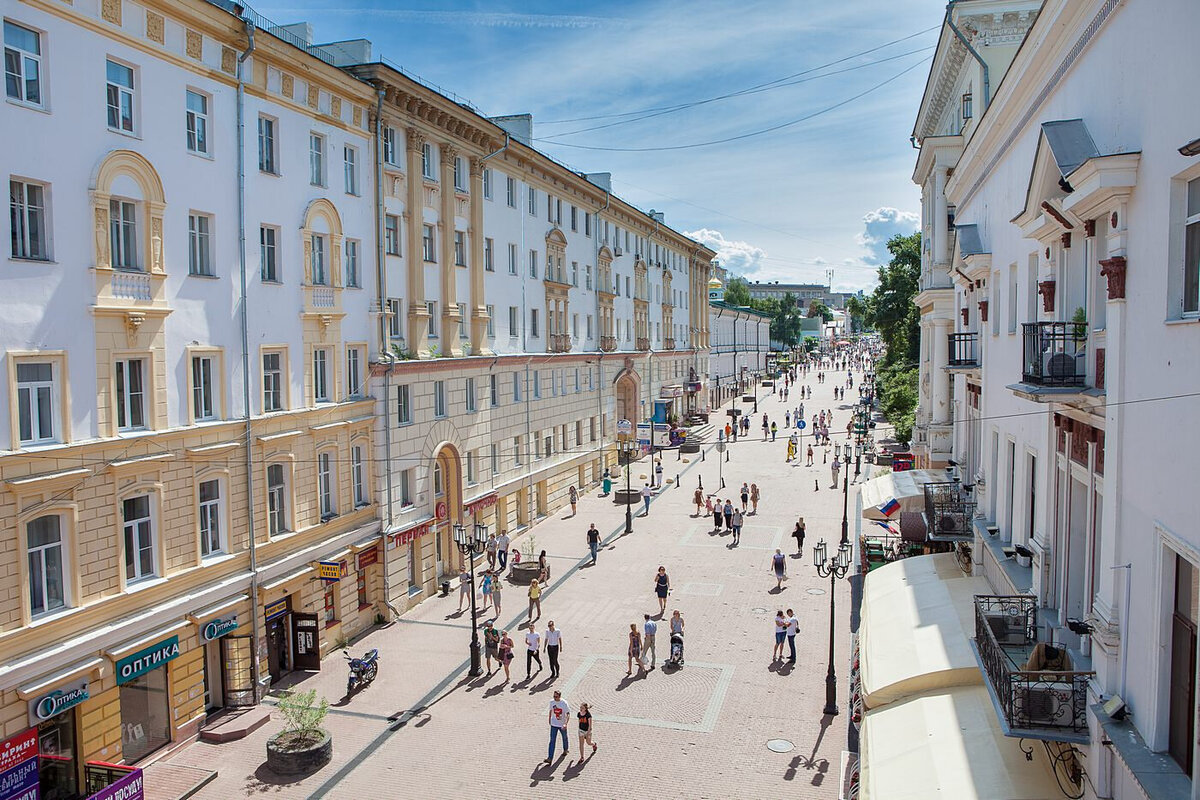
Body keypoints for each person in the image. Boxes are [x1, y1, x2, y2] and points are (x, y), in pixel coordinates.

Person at [544, 690, 570, 764]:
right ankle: (550, 758)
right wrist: (549, 719)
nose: (555, 698)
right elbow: (550, 710)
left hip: (562, 724)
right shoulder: (552, 702)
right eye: (554, 696)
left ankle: (565, 749)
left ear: (559, 696)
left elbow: (568, 714)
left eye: (556, 696)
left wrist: (565, 724)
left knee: (564, 737)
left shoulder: (564, 703)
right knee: (552, 740)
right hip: (554, 724)